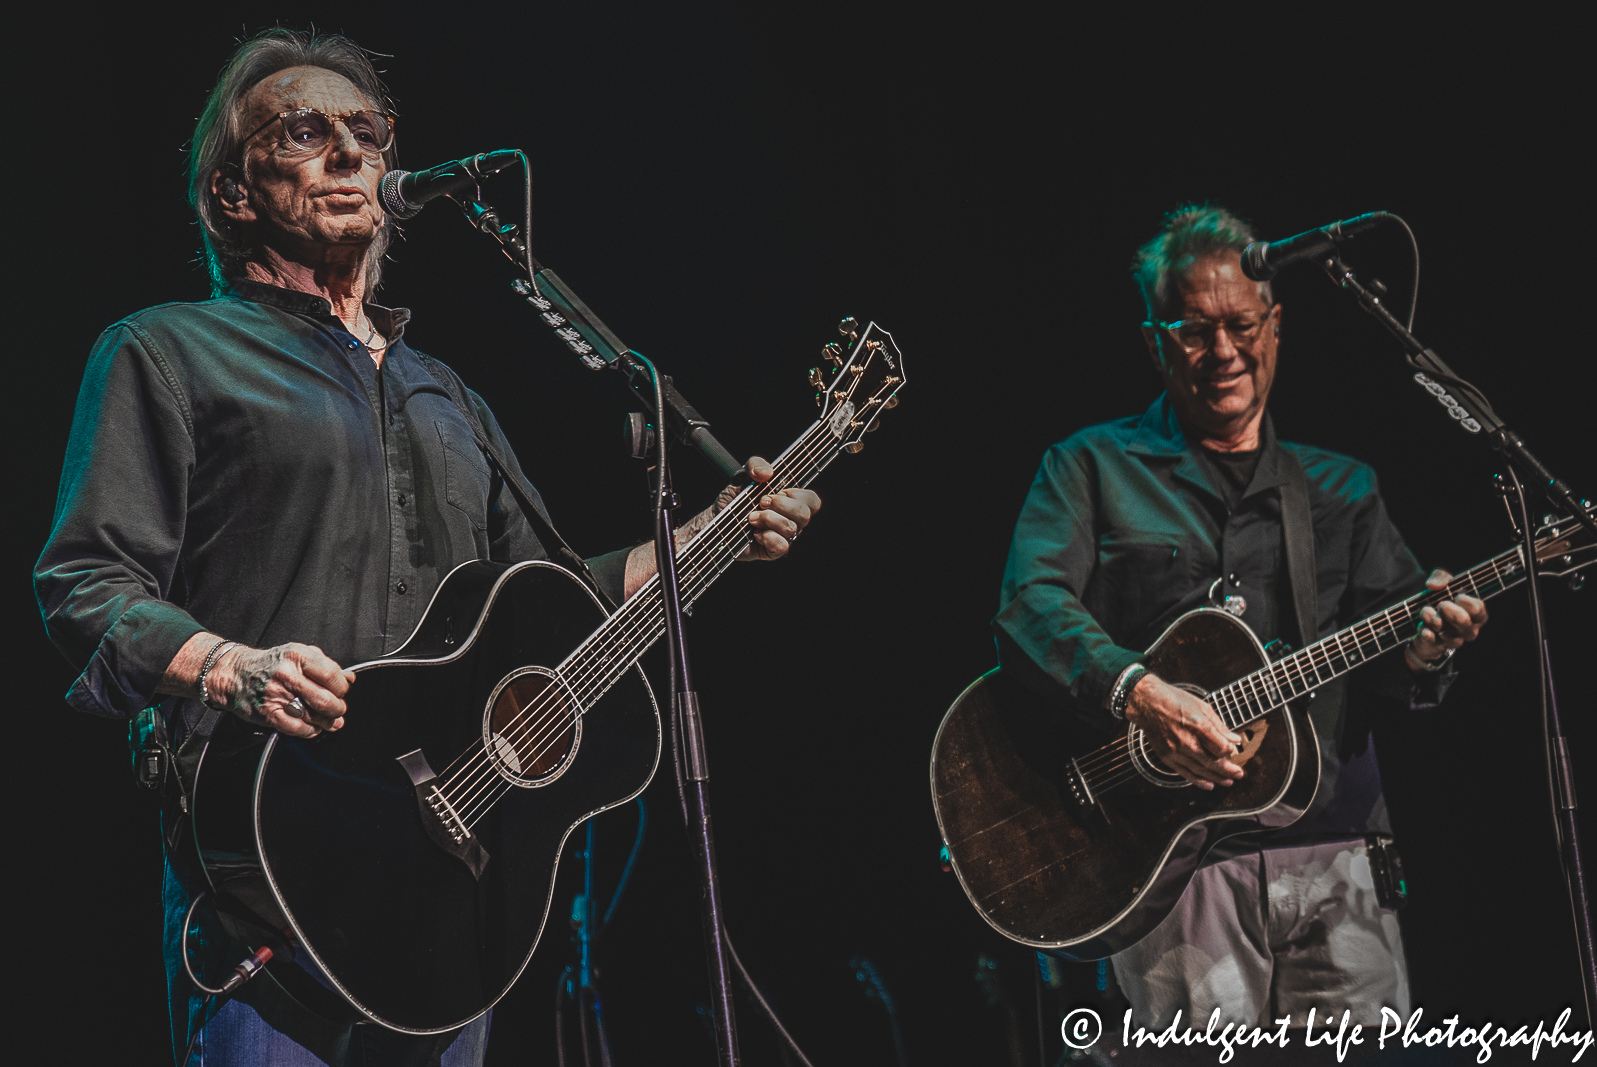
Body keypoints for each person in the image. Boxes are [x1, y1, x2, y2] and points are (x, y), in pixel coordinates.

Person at [33, 29, 819, 1067]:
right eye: (308, 131)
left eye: (369, 131)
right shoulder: (168, 350)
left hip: (448, 878)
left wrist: (703, 541)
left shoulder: (448, 395)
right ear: (232, 193)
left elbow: (553, 600)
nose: (353, 152)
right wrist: (231, 665)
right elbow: (84, 582)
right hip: (271, 866)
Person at [993, 204, 1488, 1032]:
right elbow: (1029, 607)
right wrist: (1142, 693)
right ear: (1154, 338)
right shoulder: (1090, 467)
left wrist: (1426, 651)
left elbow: (1396, 663)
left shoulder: (1344, 489)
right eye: (1192, 329)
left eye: (1240, 324)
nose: (1222, 351)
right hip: (1169, 870)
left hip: (1338, 855)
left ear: (1276, 323)